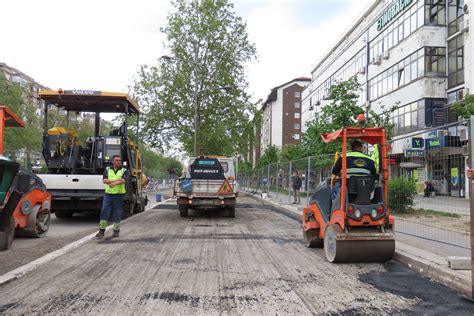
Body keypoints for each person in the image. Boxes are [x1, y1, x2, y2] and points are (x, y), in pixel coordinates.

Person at [95, 155, 128, 238]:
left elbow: (123, 180)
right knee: (104, 211)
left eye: (120, 160)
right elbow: (104, 180)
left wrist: (113, 184)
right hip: (108, 195)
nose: (119, 162)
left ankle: (116, 230)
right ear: (113, 161)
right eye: (117, 160)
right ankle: (101, 231)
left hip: (119, 195)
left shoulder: (124, 170)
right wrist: (116, 181)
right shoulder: (107, 169)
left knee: (117, 213)